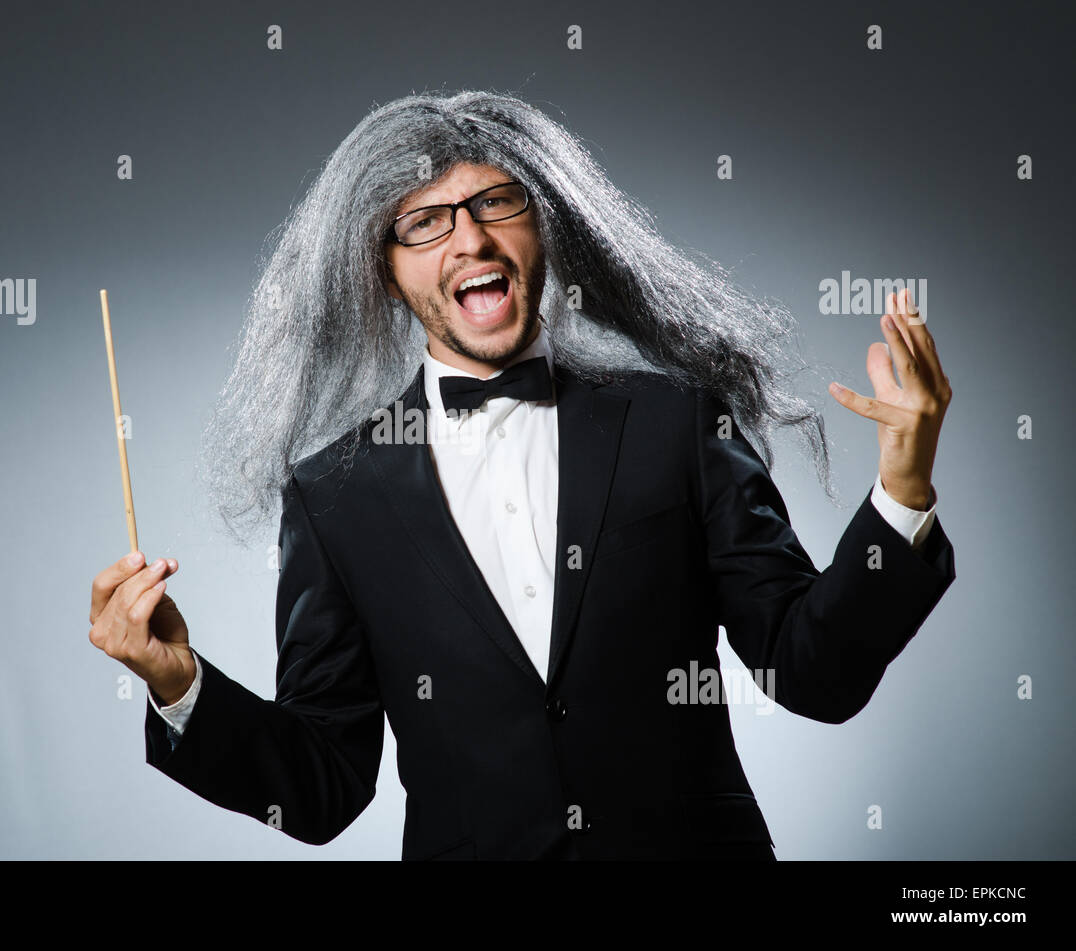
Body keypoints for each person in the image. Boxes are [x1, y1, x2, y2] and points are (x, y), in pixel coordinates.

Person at [87, 90, 954, 859]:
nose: (469, 235)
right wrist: (178, 682)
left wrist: (903, 494)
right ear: (382, 272)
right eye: (425, 221)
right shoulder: (334, 496)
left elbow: (810, 672)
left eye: (496, 202)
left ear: (544, 225)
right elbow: (323, 787)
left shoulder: (676, 422)